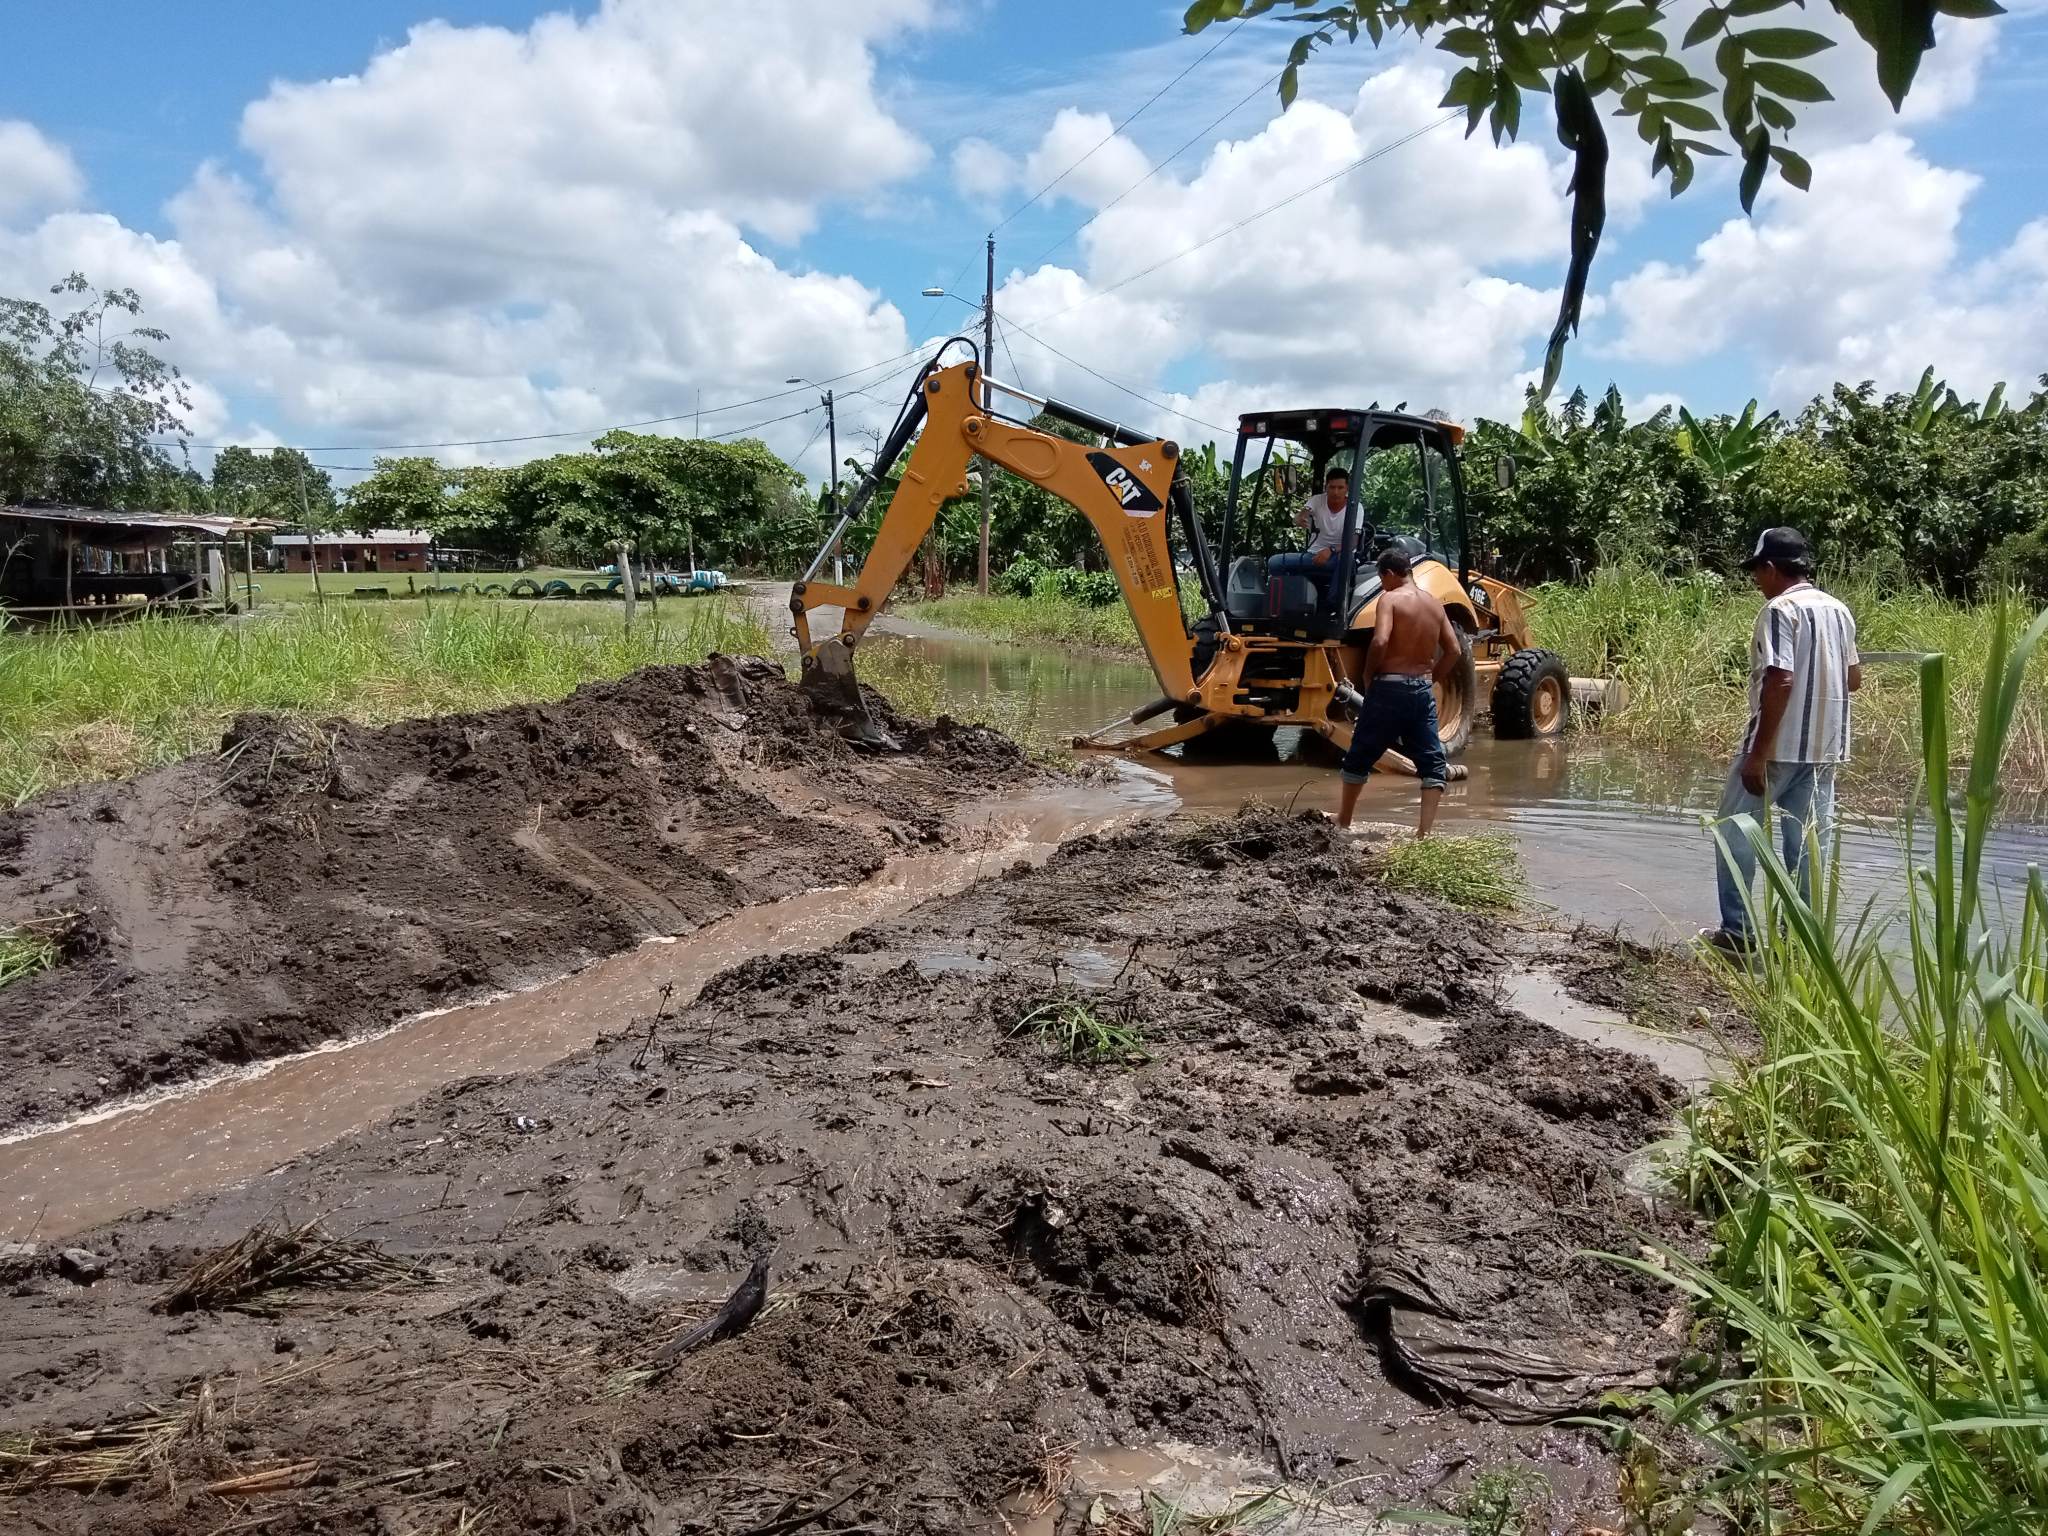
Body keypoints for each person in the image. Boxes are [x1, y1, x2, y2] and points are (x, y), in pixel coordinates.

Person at [1701, 526, 1861, 954]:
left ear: (1771, 568)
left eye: (1757, 571)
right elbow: (1853, 679)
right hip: (1825, 750)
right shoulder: (1839, 610)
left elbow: (1781, 679)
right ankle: (1799, 940)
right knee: (1807, 847)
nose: (1756, 580)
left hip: (1777, 748)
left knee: (1734, 832)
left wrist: (1758, 754)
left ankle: (1737, 933)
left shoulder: (1779, 610)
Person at [1336, 545, 1459, 837]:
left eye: (1382, 579)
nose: (1382, 585)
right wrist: (1431, 680)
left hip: (1389, 688)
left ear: (1390, 573)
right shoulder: (1434, 604)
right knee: (1432, 763)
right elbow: (1453, 650)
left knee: (1360, 754)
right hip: (1421, 690)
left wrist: (1368, 675)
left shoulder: (1389, 599)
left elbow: (1380, 641)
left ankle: (1344, 821)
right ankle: (1423, 834)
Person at [1267, 465, 1355, 589]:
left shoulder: (1355, 507)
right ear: (1326, 487)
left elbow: (1353, 542)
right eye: (1332, 487)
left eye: (1340, 488)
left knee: (1346, 559)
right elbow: (1303, 513)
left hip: (1338, 557)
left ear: (1347, 488)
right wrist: (1299, 518)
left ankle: (1335, 601)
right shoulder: (1317, 500)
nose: (1336, 492)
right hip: (1313, 555)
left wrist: (1331, 550)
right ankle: (1292, 597)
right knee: (1275, 562)